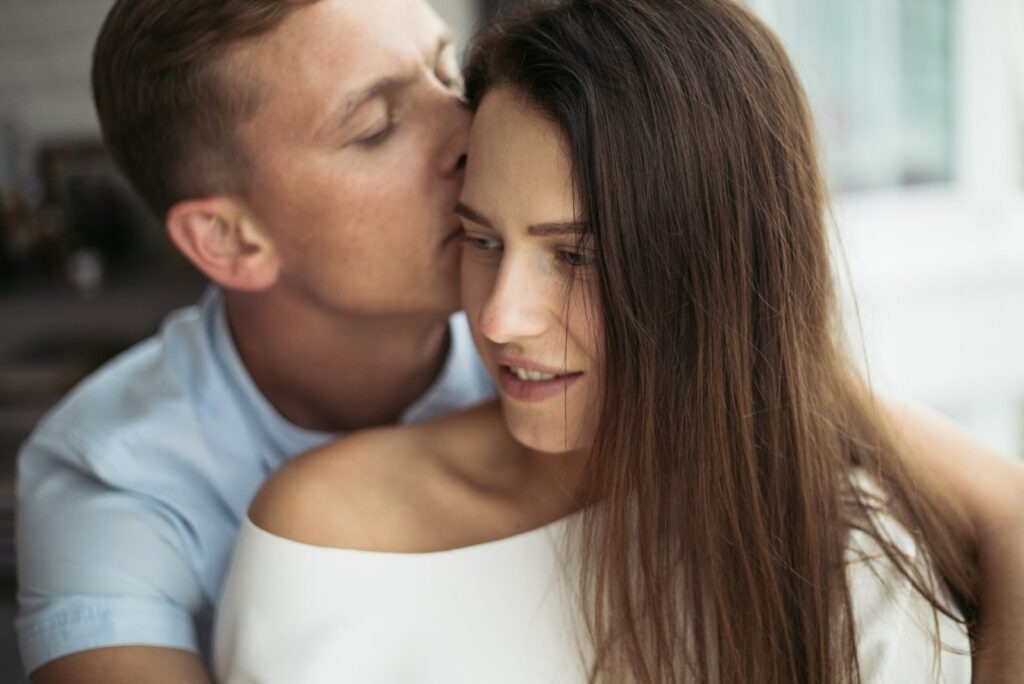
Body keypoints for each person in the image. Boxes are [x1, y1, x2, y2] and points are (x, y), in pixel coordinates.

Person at [13, 0, 1024, 682]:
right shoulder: (115, 482)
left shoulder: (583, 340)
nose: (467, 126)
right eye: (375, 128)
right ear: (230, 240)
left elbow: (998, 506)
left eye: (444, 71)